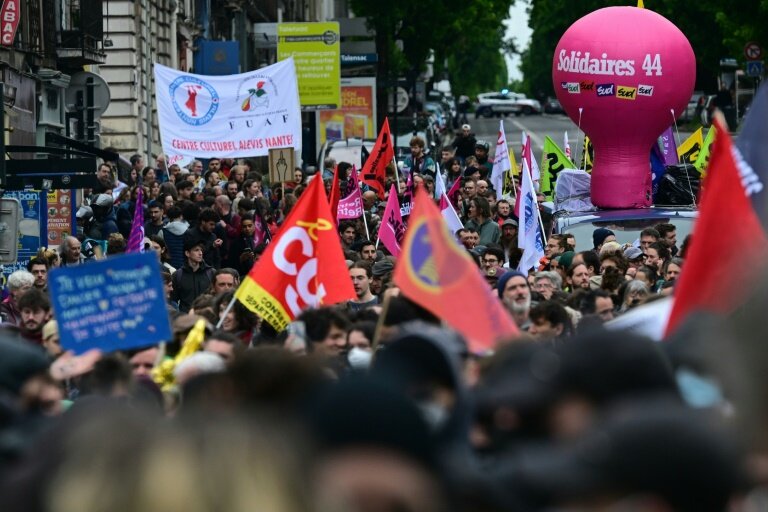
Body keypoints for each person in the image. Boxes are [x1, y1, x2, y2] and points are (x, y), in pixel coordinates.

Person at [171, 239, 216, 313]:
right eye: (196, 250)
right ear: (187, 253)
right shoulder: (178, 275)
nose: (200, 253)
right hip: (186, 319)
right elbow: (173, 300)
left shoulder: (211, 273)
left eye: (201, 250)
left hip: (207, 317)